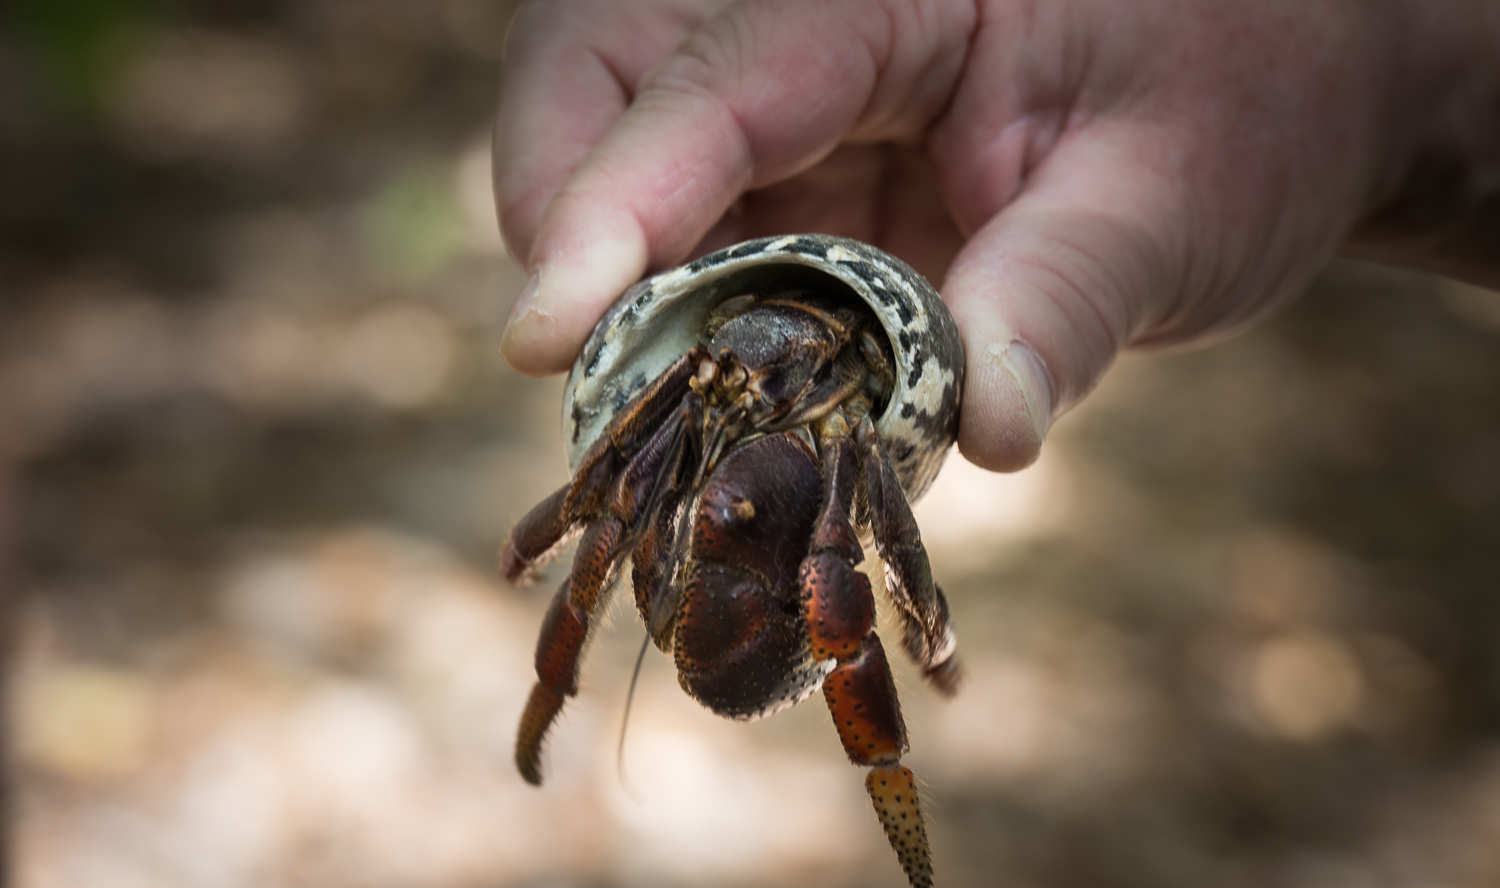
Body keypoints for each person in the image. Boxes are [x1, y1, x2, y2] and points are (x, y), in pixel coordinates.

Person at [492, 0, 1500, 471]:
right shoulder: (713, 368)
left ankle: (881, 733)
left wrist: (1379, 64)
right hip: (765, 343)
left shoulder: (834, 407)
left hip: (832, 387)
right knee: (631, 491)